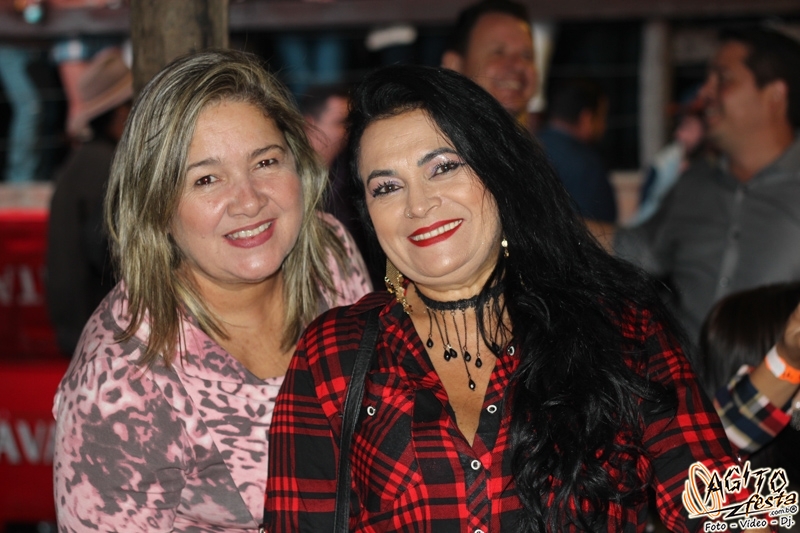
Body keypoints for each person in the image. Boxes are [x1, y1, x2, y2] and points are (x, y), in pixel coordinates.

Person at [265, 64, 754, 532]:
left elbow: (727, 512)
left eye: (443, 167)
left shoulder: (621, 325)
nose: (418, 204)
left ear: (498, 173)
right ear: (369, 216)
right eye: (387, 187)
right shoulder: (335, 353)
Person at [52, 49, 372, 531]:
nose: (249, 200)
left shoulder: (330, 256)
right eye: (206, 179)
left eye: (265, 161)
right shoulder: (119, 380)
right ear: (157, 204)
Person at [596, 26, 800, 343]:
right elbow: (639, 249)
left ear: (774, 94)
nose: (705, 92)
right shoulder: (694, 183)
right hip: (685, 373)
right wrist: (541, 218)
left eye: (723, 79)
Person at [46, 46, 132, 357]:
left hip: (81, 329)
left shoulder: (83, 161)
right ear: (121, 113)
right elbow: (108, 252)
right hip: (101, 334)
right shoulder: (106, 167)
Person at [441, 0, 537, 124]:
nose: (518, 65)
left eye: (527, 56)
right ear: (454, 65)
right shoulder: (429, 133)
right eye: (499, 52)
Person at [537, 77, 617, 223]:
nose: (604, 126)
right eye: (602, 117)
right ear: (586, 118)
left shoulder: (527, 147)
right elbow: (601, 229)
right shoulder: (587, 165)